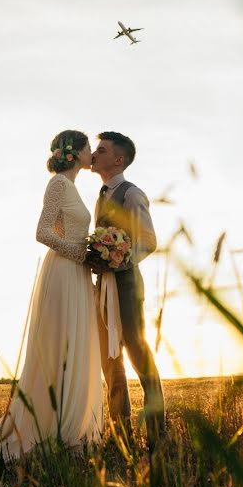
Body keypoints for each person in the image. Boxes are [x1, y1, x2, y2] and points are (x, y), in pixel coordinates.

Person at [0, 130, 103, 459]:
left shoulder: (75, 187)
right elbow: (42, 232)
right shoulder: (58, 185)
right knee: (60, 348)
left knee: (77, 346)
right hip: (64, 271)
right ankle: (60, 435)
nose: (91, 153)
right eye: (87, 147)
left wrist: (91, 253)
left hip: (78, 272)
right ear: (74, 152)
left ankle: (72, 430)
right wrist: (80, 253)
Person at [89, 131, 165, 448]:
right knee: (110, 360)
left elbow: (148, 241)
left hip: (127, 285)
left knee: (138, 352)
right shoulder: (101, 195)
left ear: (118, 159)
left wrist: (118, 258)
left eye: (101, 149)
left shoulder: (132, 195)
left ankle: (158, 437)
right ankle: (122, 436)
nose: (94, 153)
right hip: (102, 287)